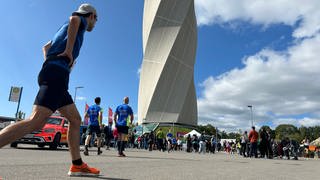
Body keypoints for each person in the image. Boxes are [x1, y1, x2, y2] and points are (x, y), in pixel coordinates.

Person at [0, 3, 99, 176]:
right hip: (56, 73)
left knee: (75, 120)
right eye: (96, 19)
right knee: (36, 120)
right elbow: (74, 19)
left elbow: (45, 47)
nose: (95, 23)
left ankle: (77, 165)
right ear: (90, 15)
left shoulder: (62, 29)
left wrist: (50, 61)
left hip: (56, 73)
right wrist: (68, 52)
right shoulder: (80, 19)